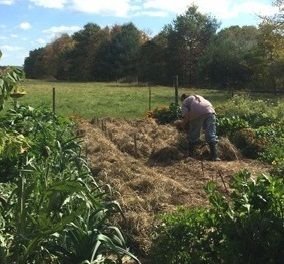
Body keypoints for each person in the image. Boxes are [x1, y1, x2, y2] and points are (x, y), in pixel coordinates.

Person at [178, 93, 220, 161]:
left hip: (197, 112)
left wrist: (182, 125)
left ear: (183, 99)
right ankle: (214, 156)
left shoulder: (185, 102)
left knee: (193, 134)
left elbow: (186, 116)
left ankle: (191, 156)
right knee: (211, 134)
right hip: (211, 111)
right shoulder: (199, 97)